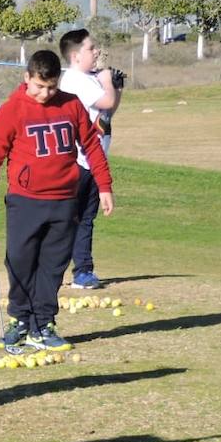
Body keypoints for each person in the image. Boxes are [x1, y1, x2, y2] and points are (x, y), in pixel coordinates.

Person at [0, 51, 114, 355]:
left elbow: (91, 145)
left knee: (53, 266)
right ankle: (21, 322)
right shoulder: (13, 110)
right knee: (20, 261)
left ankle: (43, 324)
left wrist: (104, 186)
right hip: (25, 202)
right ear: (27, 78)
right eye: (39, 86)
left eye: (51, 87)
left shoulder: (71, 104)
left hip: (65, 200)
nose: (45, 93)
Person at [58, 28, 124, 289]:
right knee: (68, 219)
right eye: (90, 48)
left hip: (95, 159)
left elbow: (109, 111)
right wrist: (107, 80)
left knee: (86, 218)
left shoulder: (90, 79)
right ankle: (56, 269)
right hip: (78, 161)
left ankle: (83, 271)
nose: (96, 52)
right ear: (75, 56)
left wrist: (116, 86)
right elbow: (106, 101)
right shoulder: (76, 80)